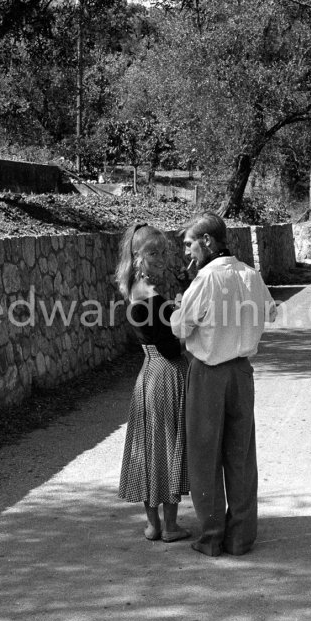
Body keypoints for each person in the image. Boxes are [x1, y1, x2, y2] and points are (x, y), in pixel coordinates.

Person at [170, 211, 276, 557]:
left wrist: (179, 306)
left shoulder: (206, 280)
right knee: (241, 455)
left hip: (209, 372)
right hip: (241, 373)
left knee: (205, 456)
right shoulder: (250, 275)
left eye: (190, 244)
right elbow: (270, 312)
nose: (187, 251)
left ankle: (212, 536)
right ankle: (241, 536)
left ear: (207, 241)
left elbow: (181, 327)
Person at [116, 223, 191, 543]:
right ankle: (171, 526)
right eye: (153, 253)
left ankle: (153, 525)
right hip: (167, 373)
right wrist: (185, 324)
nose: (161, 259)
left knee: (149, 447)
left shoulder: (133, 288)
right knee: (168, 446)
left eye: (163, 252)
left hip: (148, 373)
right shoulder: (152, 299)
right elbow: (171, 347)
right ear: (138, 257)